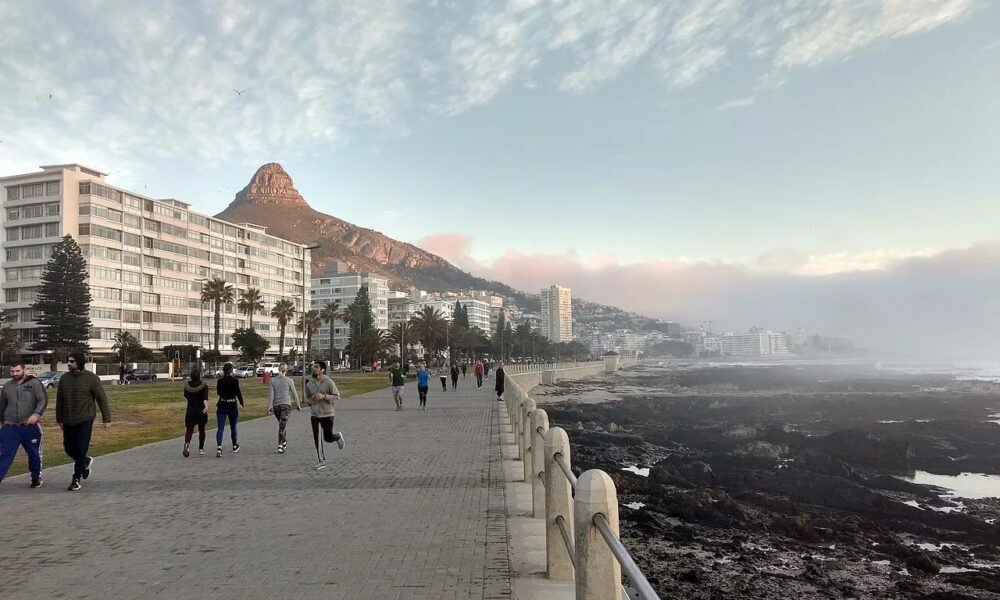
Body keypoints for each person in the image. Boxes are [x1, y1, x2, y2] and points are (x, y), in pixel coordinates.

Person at [56, 352, 111, 492]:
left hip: (85, 419)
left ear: (79, 362)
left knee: (80, 448)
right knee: (68, 448)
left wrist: (107, 419)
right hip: (68, 419)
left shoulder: (91, 378)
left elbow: (102, 399)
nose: (69, 363)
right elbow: (59, 401)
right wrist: (59, 419)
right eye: (68, 361)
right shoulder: (64, 379)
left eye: (72, 361)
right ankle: (84, 461)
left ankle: (76, 478)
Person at [0, 361, 48, 488]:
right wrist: (3, 423)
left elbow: (43, 400)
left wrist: (36, 415)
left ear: (23, 370)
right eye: (12, 371)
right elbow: (2, 406)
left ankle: (36, 477)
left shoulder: (34, 383)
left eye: (17, 371)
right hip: (10, 427)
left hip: (30, 426)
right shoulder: (7, 386)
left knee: (34, 454)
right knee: (5, 454)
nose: (14, 374)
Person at [306, 361, 345, 470]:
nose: (314, 368)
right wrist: (310, 401)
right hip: (314, 414)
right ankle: (321, 460)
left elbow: (337, 397)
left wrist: (324, 396)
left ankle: (337, 437)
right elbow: (308, 398)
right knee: (317, 438)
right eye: (313, 366)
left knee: (327, 438)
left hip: (327, 414)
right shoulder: (309, 383)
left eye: (316, 367)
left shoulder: (329, 382)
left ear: (322, 369)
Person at [267, 362, 301, 453]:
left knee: (282, 424)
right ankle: (281, 443)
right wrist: (298, 404)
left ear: (279, 369)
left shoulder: (273, 380)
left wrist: (269, 407)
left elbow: (271, 395)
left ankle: (282, 442)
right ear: (286, 370)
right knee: (282, 425)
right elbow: (294, 394)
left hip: (278, 406)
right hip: (284, 406)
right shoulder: (289, 380)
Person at [215, 362, 245, 458]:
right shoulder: (235, 381)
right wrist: (241, 402)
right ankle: (234, 445)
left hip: (222, 405)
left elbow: (218, 392)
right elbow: (238, 392)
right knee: (233, 427)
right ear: (231, 371)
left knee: (220, 427)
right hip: (232, 405)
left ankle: (219, 447)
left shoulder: (219, 381)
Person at [182, 368, 209, 457]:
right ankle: (201, 449)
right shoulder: (204, 385)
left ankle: (187, 444)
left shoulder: (187, 386)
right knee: (202, 430)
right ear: (199, 376)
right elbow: (205, 398)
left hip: (190, 410)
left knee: (189, 430)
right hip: (201, 410)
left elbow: (186, 395)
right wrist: (206, 407)